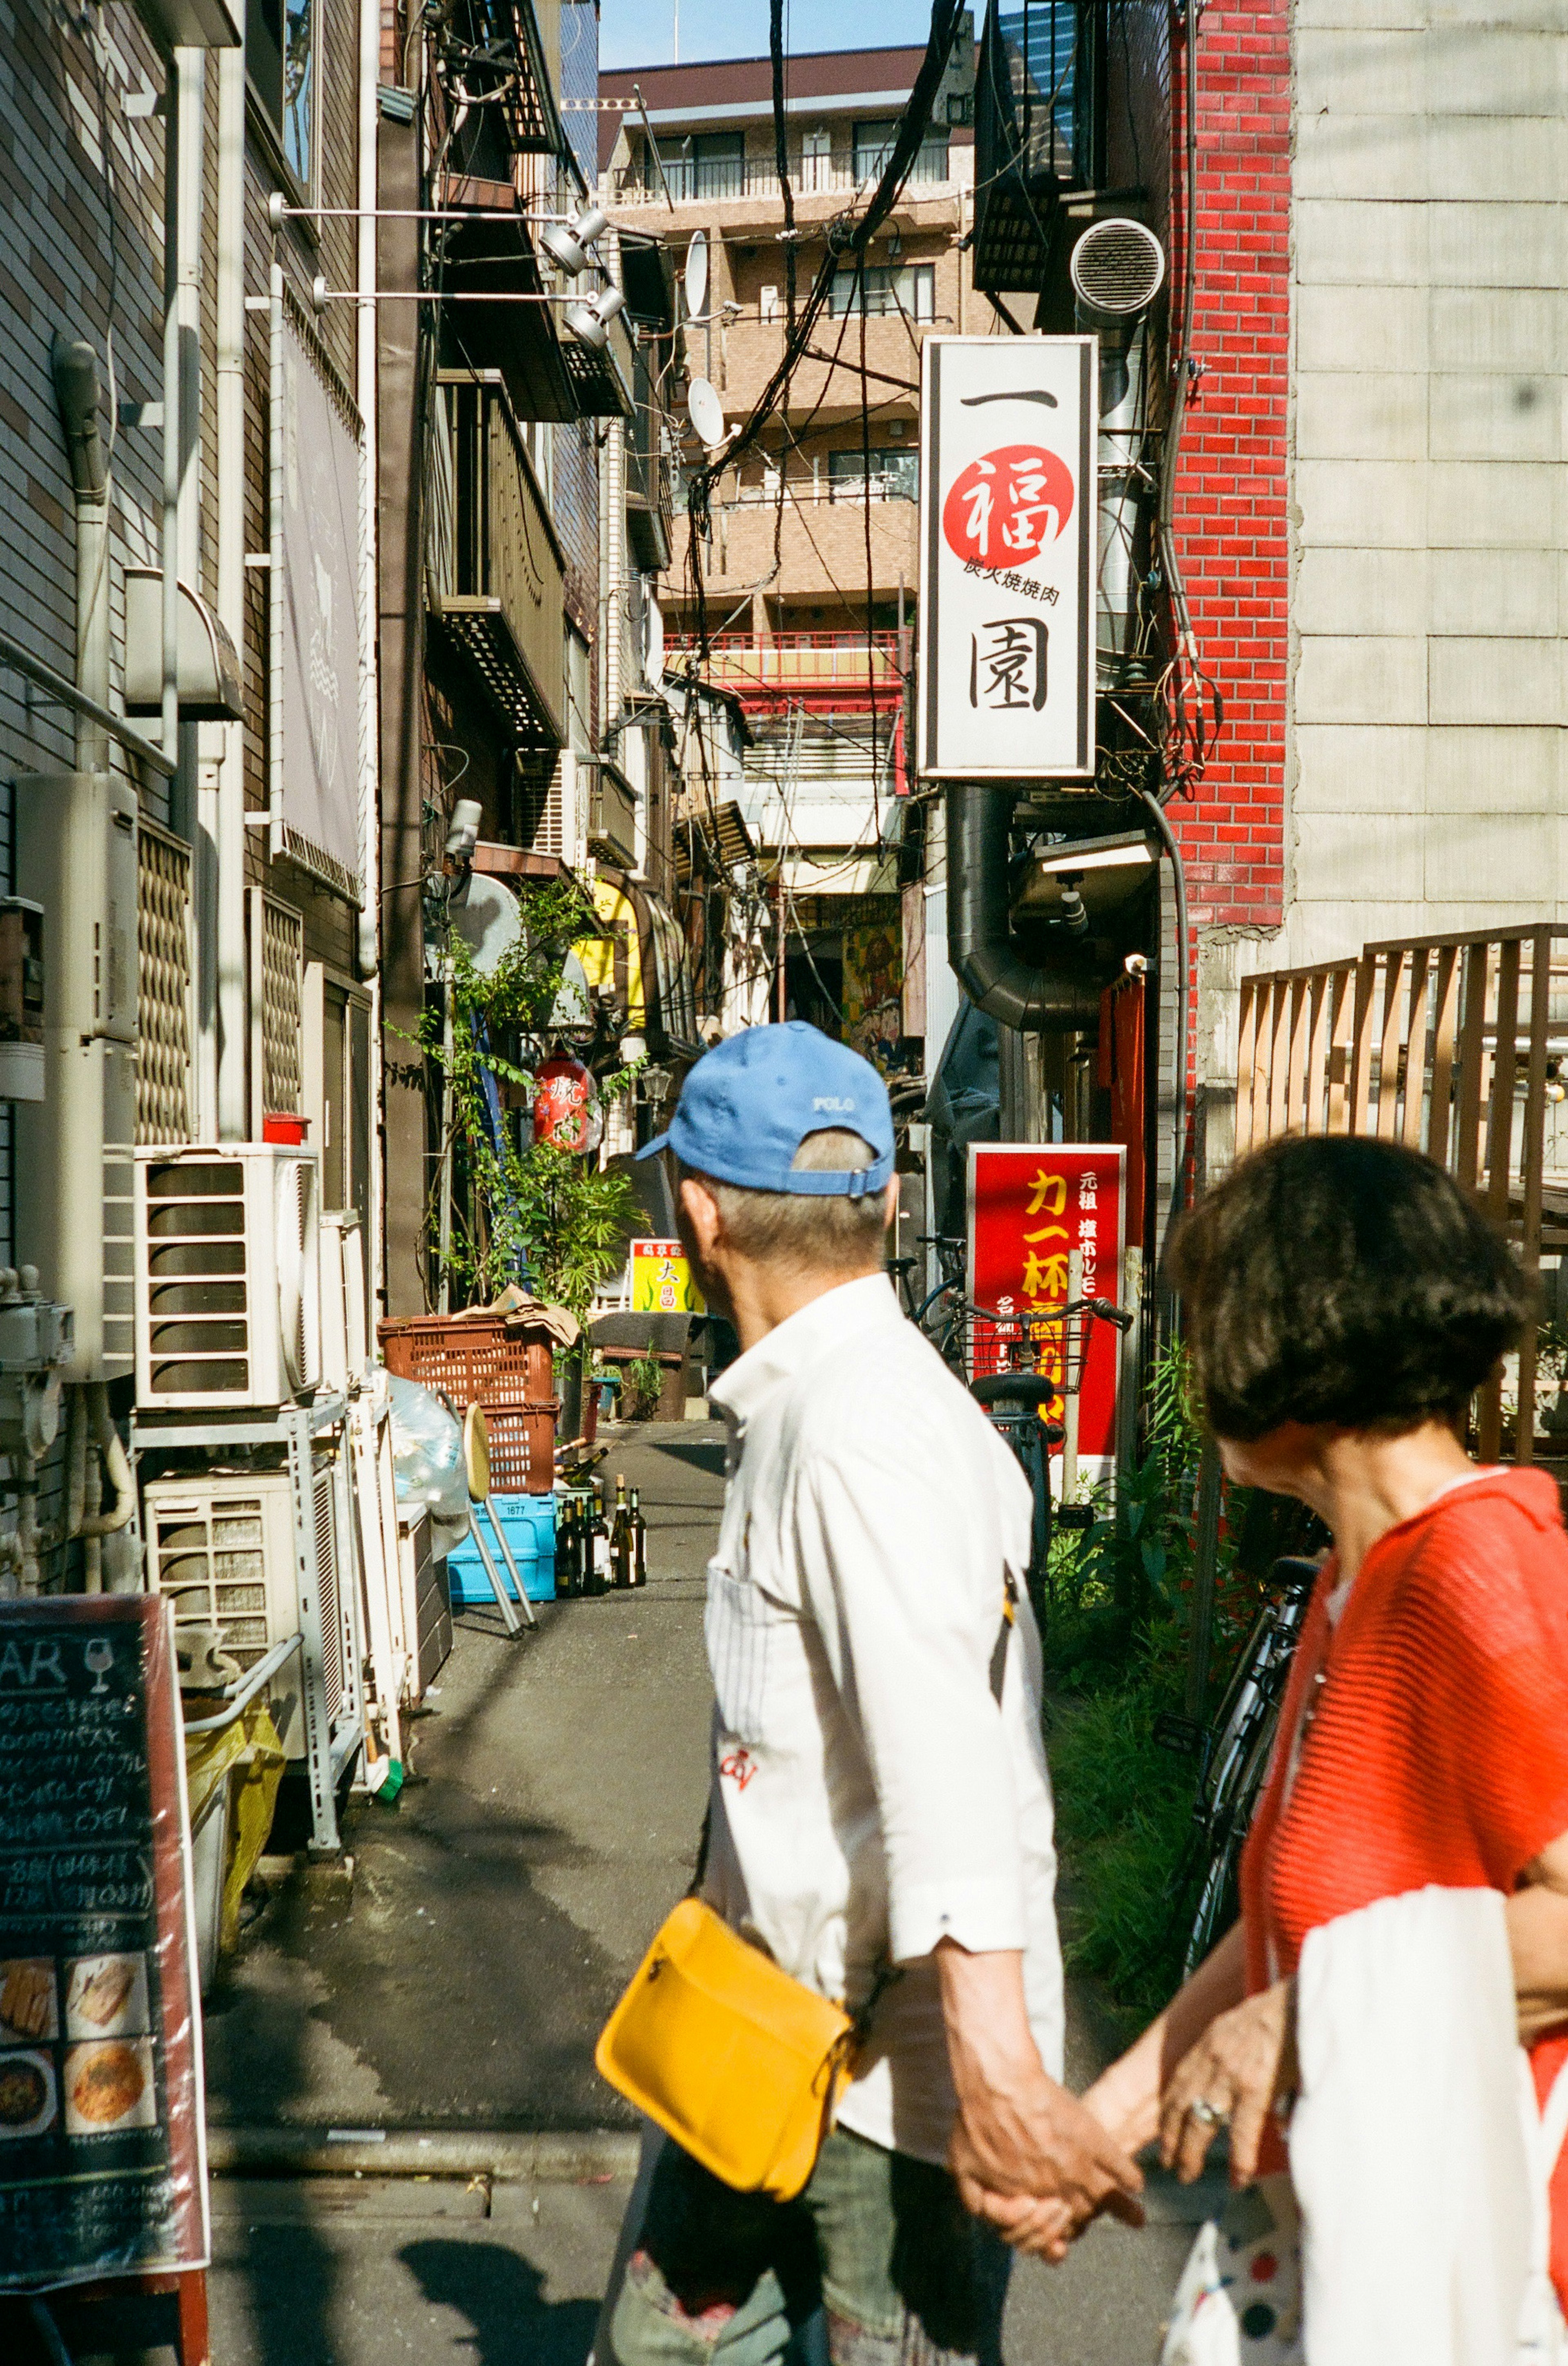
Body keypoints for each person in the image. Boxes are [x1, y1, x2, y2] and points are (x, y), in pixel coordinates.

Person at [605, 1022, 1142, 2366]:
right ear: (891, 1200)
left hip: (885, 2107)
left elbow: (942, 1762)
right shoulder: (843, 1405)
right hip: (760, 2044)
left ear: (699, 1208)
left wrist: (1002, 2080)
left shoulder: (860, 1433)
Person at [1074, 1134, 1568, 2345]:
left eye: (1212, 1319)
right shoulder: (1361, 1575)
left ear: (1286, 1336)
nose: (1196, 1363)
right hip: (1350, 2229)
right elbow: (1294, 1920)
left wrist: (1299, 2020)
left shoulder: (1481, 1571)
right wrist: (1103, 2121)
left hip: (1486, 2265)